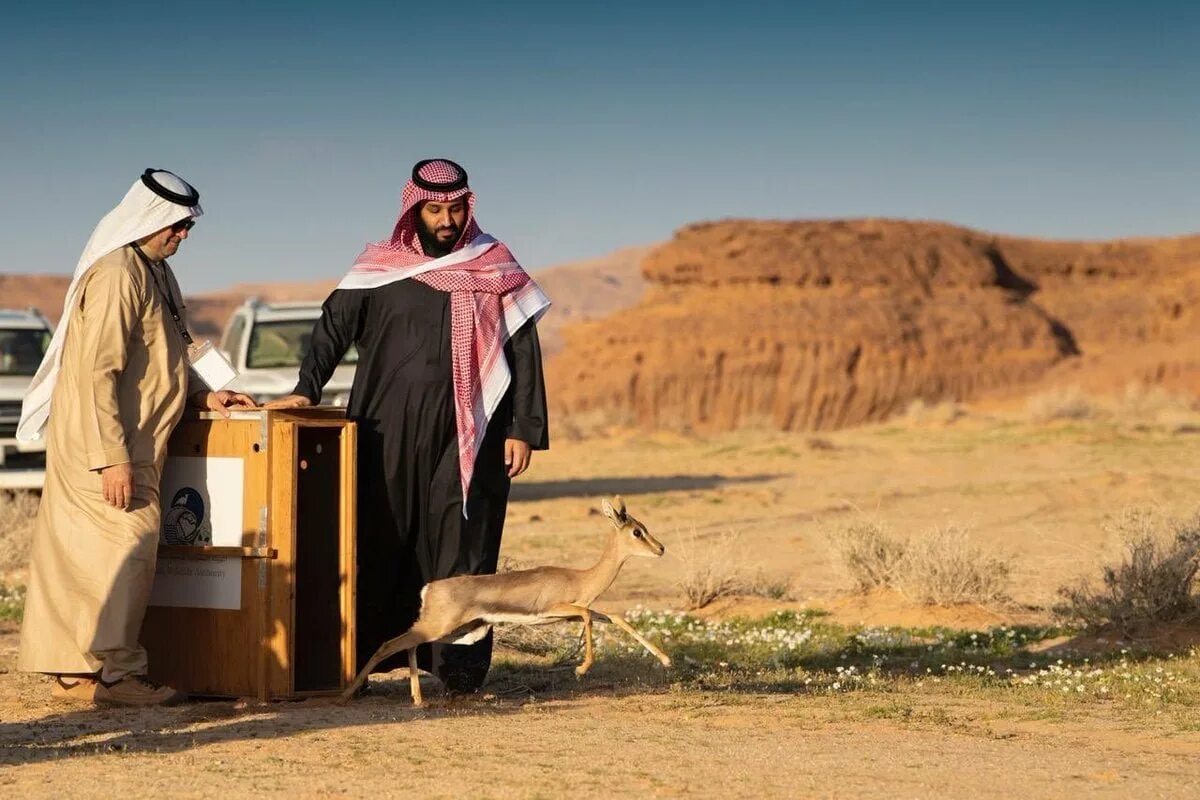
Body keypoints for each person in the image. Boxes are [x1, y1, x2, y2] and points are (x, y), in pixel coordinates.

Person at [267, 158, 550, 692]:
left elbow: (523, 351)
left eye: (456, 208)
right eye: (435, 209)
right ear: (413, 210)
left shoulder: (494, 267)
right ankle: (364, 660)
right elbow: (332, 330)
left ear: (469, 207)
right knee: (376, 535)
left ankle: (459, 671)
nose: (446, 220)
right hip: (384, 428)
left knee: (463, 545)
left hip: (472, 432)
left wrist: (523, 427)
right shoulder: (379, 270)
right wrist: (307, 388)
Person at [16, 169, 255, 705]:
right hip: (104, 444)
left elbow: (172, 350)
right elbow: (96, 371)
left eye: (188, 225)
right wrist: (109, 457)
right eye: (176, 223)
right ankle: (120, 675)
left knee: (87, 556)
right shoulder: (118, 274)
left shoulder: (156, 273)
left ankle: (75, 673)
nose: (183, 234)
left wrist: (204, 395)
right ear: (150, 218)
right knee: (127, 549)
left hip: (134, 440)